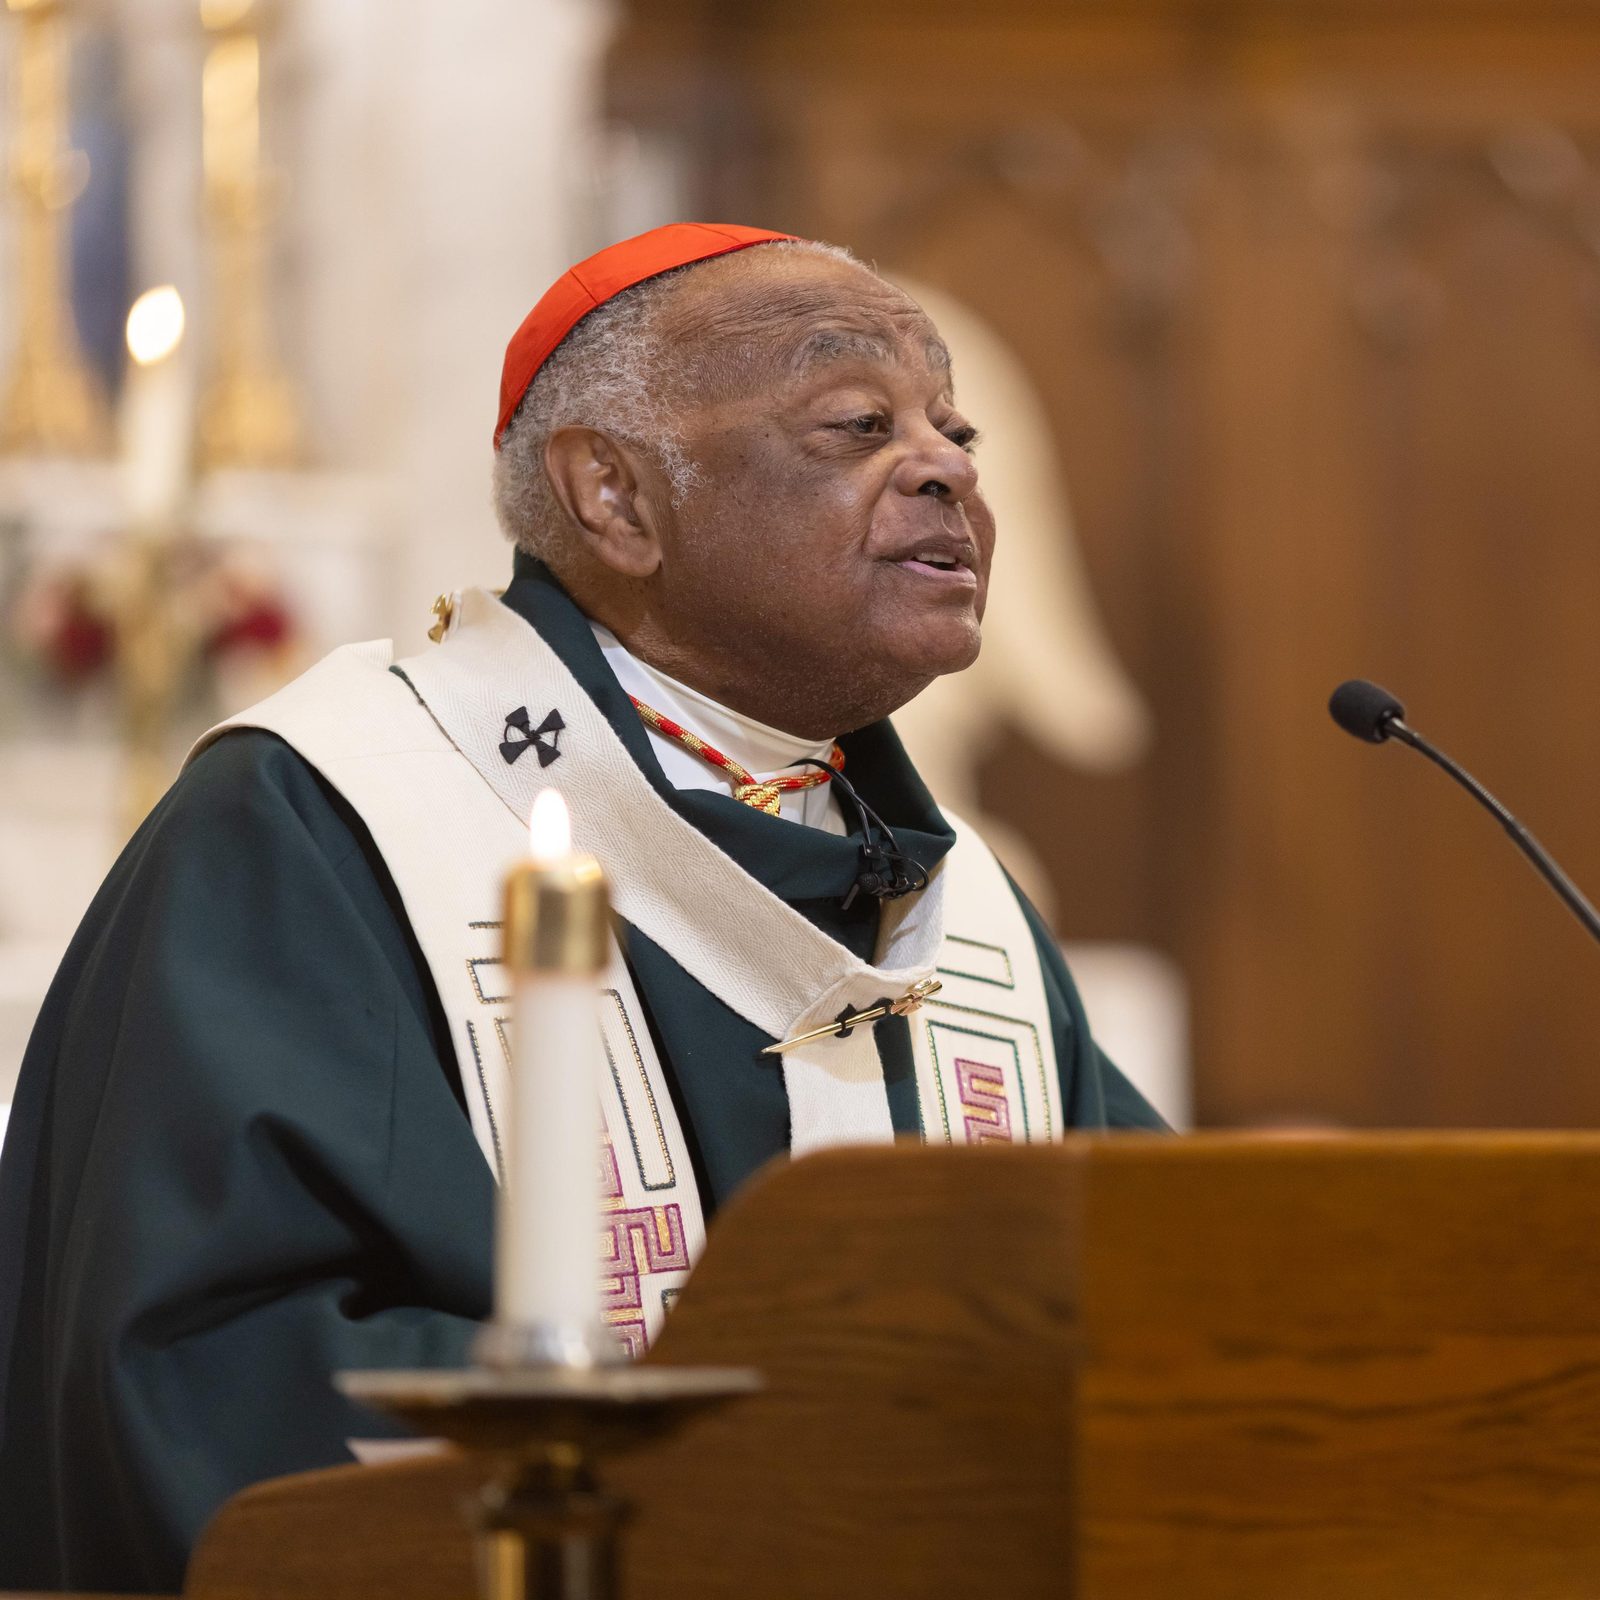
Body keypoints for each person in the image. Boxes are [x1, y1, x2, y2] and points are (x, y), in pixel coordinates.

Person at [0, 222, 1166, 1594]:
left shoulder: (958, 907)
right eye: (857, 424)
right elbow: (203, 1376)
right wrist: (762, 1483)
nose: (949, 465)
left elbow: (1148, 1316)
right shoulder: (321, 827)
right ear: (613, 496)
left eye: (951, 427)